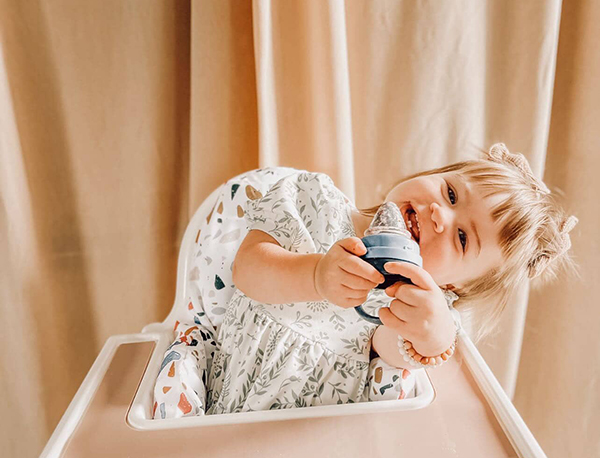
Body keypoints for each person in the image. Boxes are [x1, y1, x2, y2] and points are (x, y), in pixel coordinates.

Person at [153, 143, 577, 418]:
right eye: (450, 193)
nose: (439, 215)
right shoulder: (312, 199)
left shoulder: (409, 302)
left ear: (453, 288)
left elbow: (394, 355)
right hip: (224, 408)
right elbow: (248, 270)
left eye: (463, 237)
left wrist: (432, 336)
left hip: (319, 443)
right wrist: (315, 276)